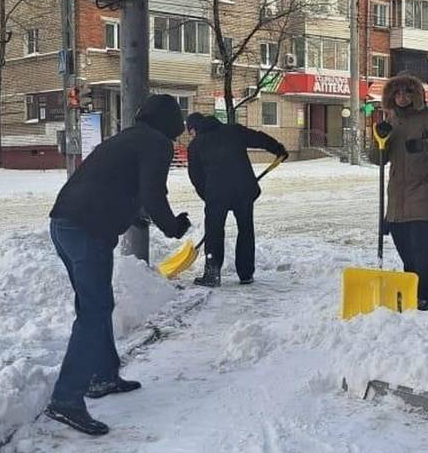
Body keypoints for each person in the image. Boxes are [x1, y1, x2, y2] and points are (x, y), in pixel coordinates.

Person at [46, 94, 191, 435]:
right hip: (86, 229)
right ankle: (66, 399)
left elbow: (116, 184)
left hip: (65, 223)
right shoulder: (156, 143)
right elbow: (153, 193)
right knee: (94, 311)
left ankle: (102, 376)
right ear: (171, 122)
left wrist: (133, 214)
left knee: (95, 305)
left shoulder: (127, 137)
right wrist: (172, 226)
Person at [369, 75, 428, 311]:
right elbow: (376, 160)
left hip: (424, 192)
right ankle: (411, 290)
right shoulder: (392, 121)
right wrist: (379, 139)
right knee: (404, 247)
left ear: (416, 95)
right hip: (398, 197)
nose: (402, 98)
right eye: (397, 94)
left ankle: (426, 295)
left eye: (407, 93)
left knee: (421, 248)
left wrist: (424, 145)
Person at [186, 113, 287, 287]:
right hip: (243, 190)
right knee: (246, 230)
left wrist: (207, 196)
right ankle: (246, 273)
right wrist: (278, 149)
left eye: (191, 132)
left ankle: (212, 274)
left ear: (194, 128)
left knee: (214, 232)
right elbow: (258, 138)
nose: (191, 135)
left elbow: (195, 176)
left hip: (216, 194)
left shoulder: (196, 145)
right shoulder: (233, 131)